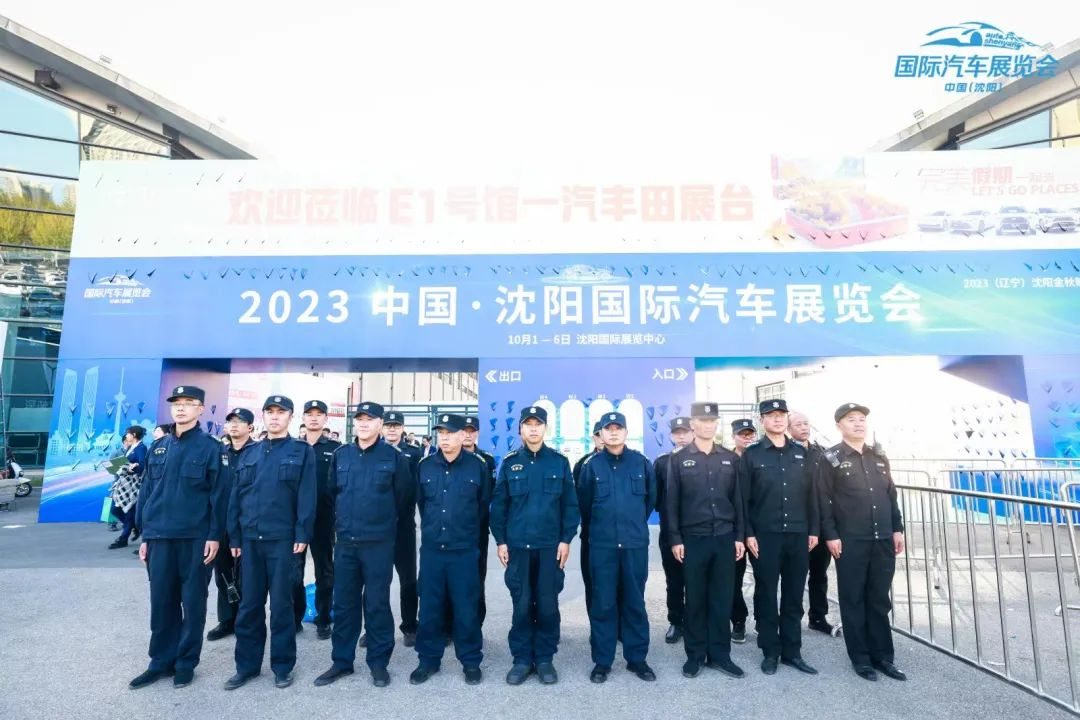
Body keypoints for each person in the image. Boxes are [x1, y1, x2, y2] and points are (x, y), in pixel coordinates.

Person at [129, 385, 226, 690]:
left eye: (189, 403)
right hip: (159, 538)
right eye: (177, 403)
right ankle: (159, 662)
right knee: (162, 603)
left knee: (193, 603)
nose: (181, 408)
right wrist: (145, 536)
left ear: (201, 409)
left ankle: (185, 663)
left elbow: (220, 496)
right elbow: (147, 493)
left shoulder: (211, 448)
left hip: (195, 539)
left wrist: (214, 535)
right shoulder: (159, 447)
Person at [314, 402, 412, 689]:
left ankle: (378, 663)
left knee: (377, 604)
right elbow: (332, 493)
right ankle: (342, 661)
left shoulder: (394, 457)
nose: (364, 424)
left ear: (380, 424)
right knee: (344, 605)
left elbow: (404, 500)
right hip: (346, 543)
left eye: (370, 419)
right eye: (360, 419)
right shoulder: (341, 455)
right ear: (354, 423)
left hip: (379, 544)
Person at [225, 395, 316, 690]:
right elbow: (236, 497)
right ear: (263, 416)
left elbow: (307, 495)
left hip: (283, 541)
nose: (275, 417)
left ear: (290, 417)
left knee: (281, 607)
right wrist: (234, 536)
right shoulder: (249, 452)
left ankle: (282, 666)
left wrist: (302, 533)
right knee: (249, 607)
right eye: (270, 412)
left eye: (281, 412)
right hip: (250, 540)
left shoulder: (301, 451)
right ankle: (247, 667)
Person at [490, 406, 580, 685]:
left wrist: (566, 539)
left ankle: (544, 659)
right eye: (527, 424)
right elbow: (499, 505)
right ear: (520, 429)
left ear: (545, 428)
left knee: (548, 605)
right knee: (521, 604)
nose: (533, 428)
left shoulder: (559, 462)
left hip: (549, 547)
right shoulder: (510, 462)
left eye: (537, 424)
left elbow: (570, 505)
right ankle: (521, 659)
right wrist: (501, 541)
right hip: (518, 547)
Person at [817, 403, 907, 682]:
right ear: (839, 426)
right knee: (853, 599)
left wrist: (897, 528)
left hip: (882, 538)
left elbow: (891, 495)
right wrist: (831, 535)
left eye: (861, 419)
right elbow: (823, 500)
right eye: (851, 420)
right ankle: (861, 658)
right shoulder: (830, 458)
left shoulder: (878, 456)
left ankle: (883, 657)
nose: (858, 424)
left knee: (879, 599)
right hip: (850, 541)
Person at [409, 414, 490, 686]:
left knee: (466, 609)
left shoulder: (477, 467)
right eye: (441, 433)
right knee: (429, 608)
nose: (444, 438)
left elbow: (482, 507)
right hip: (433, 551)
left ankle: (470, 661)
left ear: (462, 435)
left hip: (464, 551)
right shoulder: (425, 466)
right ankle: (428, 661)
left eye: (450, 433)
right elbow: (422, 504)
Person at [576, 411, 657, 684]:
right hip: (603, 546)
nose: (613, 432)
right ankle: (602, 662)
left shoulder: (641, 463)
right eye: (608, 429)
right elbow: (585, 505)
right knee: (603, 603)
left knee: (635, 602)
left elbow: (649, 501)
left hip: (634, 545)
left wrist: (631, 524)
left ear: (626, 432)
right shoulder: (591, 466)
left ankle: (637, 659)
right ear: (601, 433)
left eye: (618, 428)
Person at [667, 402, 746, 680]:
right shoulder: (679, 459)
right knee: (696, 599)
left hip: (724, 538)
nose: (708, 425)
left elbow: (738, 501)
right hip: (693, 539)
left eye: (712, 421)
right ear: (693, 425)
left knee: (722, 599)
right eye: (702, 420)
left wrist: (739, 536)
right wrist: (675, 538)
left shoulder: (729, 458)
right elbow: (671, 502)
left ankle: (720, 655)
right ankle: (695, 655)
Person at [742, 400, 818, 676]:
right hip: (765, 536)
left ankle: (792, 651)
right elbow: (743, 499)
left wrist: (814, 530)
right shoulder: (752, 455)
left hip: (798, 534)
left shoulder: (800, 453)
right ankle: (770, 651)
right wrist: (748, 533)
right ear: (762, 420)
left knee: (794, 594)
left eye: (781, 415)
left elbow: (812, 495)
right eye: (771, 415)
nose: (777, 419)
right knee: (766, 593)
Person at [360, 410, 422, 648]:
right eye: (389, 425)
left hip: (403, 525)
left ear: (403, 429)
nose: (392, 429)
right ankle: (372, 628)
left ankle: (410, 626)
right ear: (382, 427)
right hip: (377, 528)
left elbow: (415, 488)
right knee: (374, 580)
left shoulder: (414, 453)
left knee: (408, 579)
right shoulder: (373, 451)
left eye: (397, 426)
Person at [206, 408, 257, 642]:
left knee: (248, 575)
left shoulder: (258, 453)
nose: (234, 425)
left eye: (240, 421)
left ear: (250, 427)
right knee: (223, 573)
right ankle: (227, 620)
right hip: (222, 523)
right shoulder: (220, 453)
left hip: (249, 524)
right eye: (230, 421)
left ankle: (246, 620)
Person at [294, 400, 342, 639]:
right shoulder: (293, 447)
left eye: (318, 414)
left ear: (326, 419)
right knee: (294, 569)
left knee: (325, 569)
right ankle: (295, 617)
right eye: (309, 414)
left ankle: (323, 618)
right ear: (302, 418)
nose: (313, 418)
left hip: (324, 517)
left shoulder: (336, 449)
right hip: (295, 519)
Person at [790, 410, 834, 635]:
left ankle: (818, 616)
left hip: (822, 522)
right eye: (798, 424)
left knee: (819, 573)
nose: (803, 427)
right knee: (795, 575)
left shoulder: (821, 452)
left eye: (806, 423)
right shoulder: (784, 452)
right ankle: (791, 620)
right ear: (789, 428)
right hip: (798, 523)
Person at [655, 417, 692, 643]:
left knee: (698, 581)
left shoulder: (705, 459)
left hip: (697, 532)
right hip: (670, 531)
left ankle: (696, 622)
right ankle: (676, 621)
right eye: (677, 432)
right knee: (674, 581)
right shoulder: (662, 462)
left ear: (693, 433)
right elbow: (656, 497)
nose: (681, 436)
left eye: (685, 432)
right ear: (671, 436)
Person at [462, 415, 497, 629]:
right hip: (453, 530)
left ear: (477, 433)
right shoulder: (448, 457)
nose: (468, 435)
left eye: (472, 431)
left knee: (477, 576)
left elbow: (488, 494)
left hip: (478, 530)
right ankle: (449, 625)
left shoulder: (486, 460)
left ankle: (475, 624)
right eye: (464, 430)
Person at [729, 417, 757, 644]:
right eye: (742, 434)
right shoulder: (726, 460)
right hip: (734, 528)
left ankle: (763, 620)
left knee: (764, 579)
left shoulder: (760, 457)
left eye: (750, 434)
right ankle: (738, 620)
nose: (747, 438)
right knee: (733, 580)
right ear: (733, 437)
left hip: (759, 529)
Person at [573, 421, 603, 614]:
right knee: (592, 582)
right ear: (594, 437)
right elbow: (579, 499)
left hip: (622, 536)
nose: (603, 438)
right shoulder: (583, 464)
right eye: (598, 435)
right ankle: (596, 624)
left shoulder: (634, 461)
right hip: (591, 534)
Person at [109, 426, 148, 549]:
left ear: (134, 434)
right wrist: (120, 467)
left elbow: (142, 466)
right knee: (115, 510)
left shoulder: (141, 448)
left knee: (130, 511)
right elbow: (126, 463)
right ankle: (134, 527)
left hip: (133, 485)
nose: (126, 436)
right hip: (123, 484)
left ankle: (123, 538)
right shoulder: (130, 448)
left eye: (128, 433)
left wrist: (132, 468)